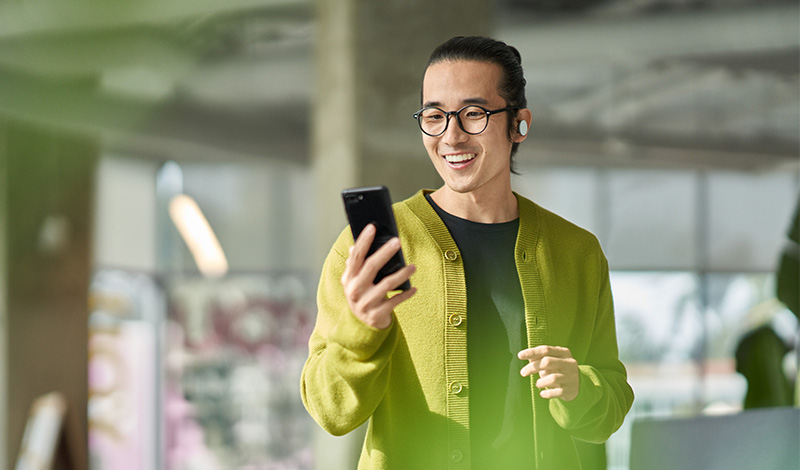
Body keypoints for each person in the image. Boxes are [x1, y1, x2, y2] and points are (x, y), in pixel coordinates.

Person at [301, 36, 634, 469]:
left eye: (473, 114)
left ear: (519, 124)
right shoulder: (367, 250)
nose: (450, 137)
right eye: (434, 116)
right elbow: (331, 413)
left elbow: (608, 409)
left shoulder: (576, 252)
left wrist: (578, 387)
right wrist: (361, 330)